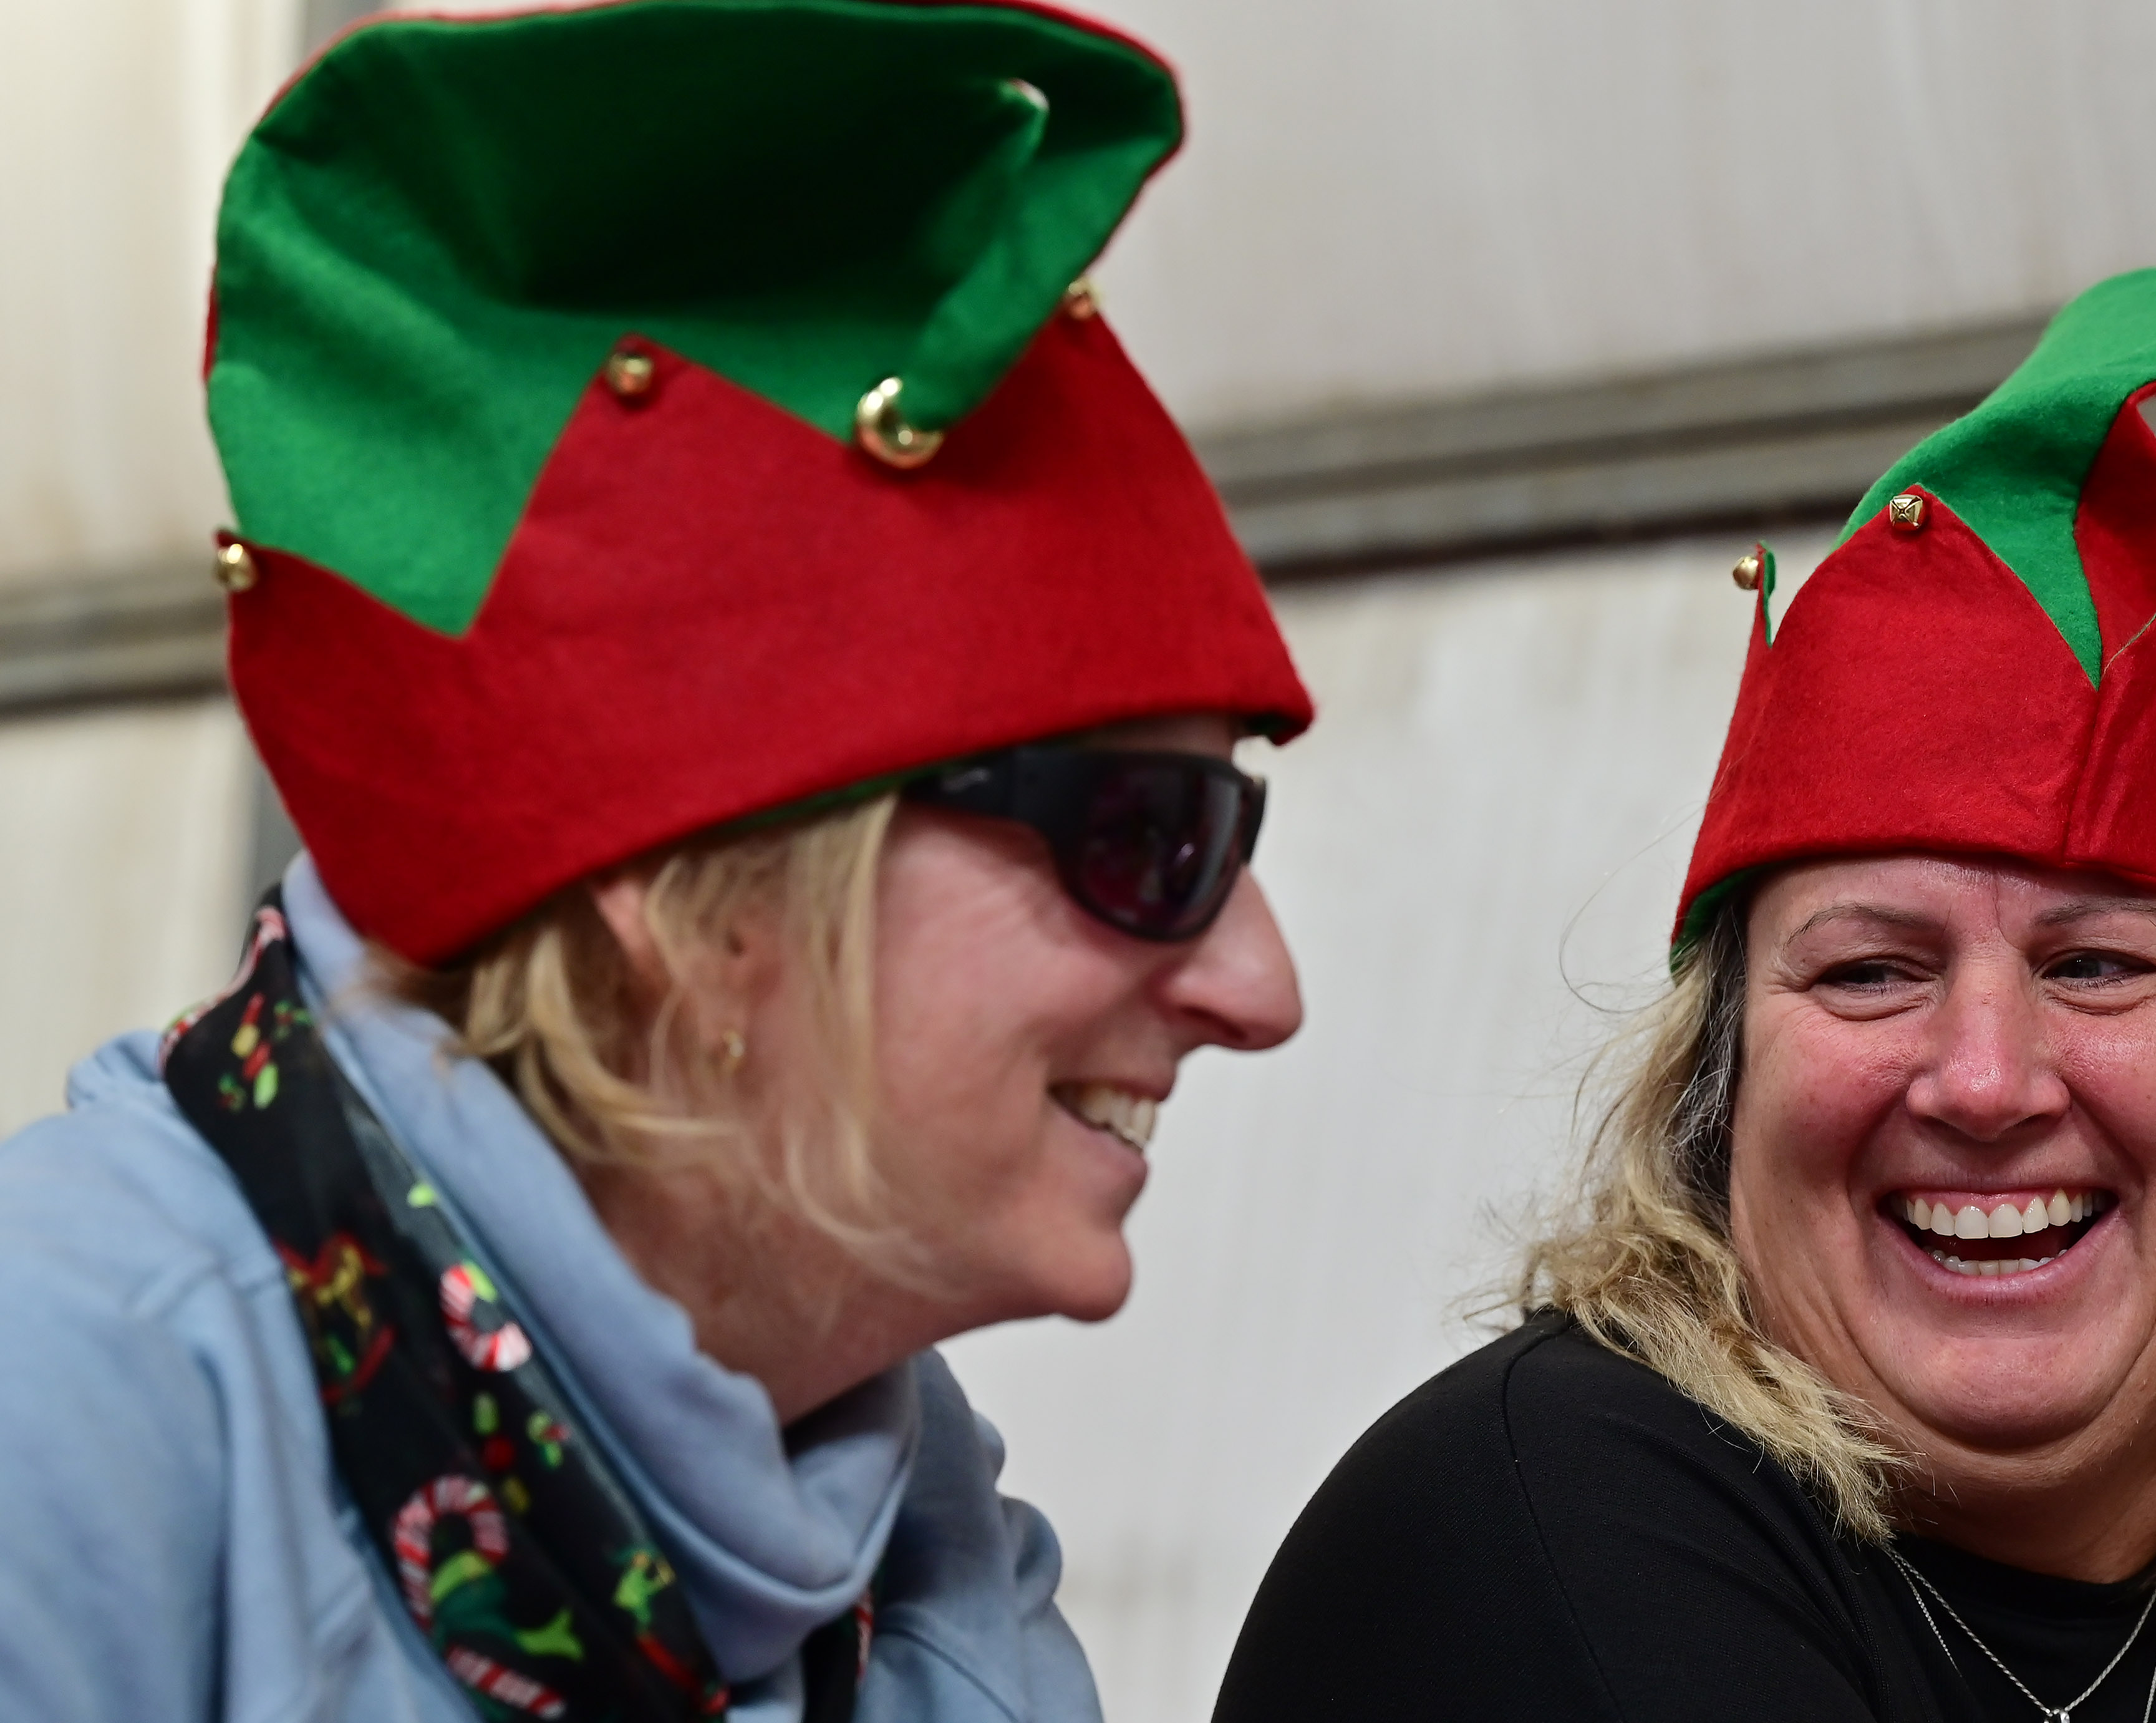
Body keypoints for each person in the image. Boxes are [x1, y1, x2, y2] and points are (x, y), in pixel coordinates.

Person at [0, 4, 1313, 1721]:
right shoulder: (80, 1399)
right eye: (1150, 839)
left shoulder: (919, 1548)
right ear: (703, 888)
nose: (1262, 986)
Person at [1214, 268, 2156, 1722]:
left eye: (2095, 966)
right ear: (1719, 1092)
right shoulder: (1550, 1509)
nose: (1984, 1078)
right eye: (1870, 971)